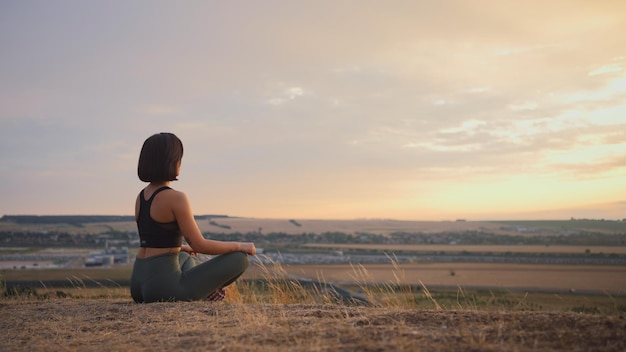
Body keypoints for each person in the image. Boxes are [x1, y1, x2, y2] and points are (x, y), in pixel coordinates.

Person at [130, 132, 256, 303]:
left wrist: (181, 247)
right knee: (239, 259)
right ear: (173, 161)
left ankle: (203, 289)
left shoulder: (141, 197)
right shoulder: (176, 198)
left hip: (138, 283)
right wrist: (240, 245)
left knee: (185, 258)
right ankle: (208, 292)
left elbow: (153, 241)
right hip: (162, 288)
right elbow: (200, 245)